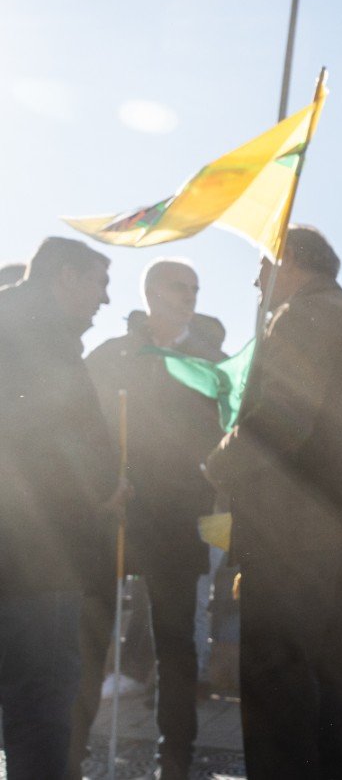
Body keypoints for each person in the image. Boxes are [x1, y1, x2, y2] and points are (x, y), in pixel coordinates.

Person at [203, 226, 342, 780]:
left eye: (262, 268)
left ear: (288, 264)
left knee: (276, 681)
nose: (256, 282)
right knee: (332, 675)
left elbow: (276, 421)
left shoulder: (303, 317)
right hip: (339, 528)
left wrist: (216, 464)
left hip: (286, 528)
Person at [69, 258, 227, 778]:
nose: (192, 296)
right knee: (92, 637)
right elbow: (76, 419)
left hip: (178, 516)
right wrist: (98, 483)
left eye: (196, 288)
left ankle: (175, 755)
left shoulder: (208, 362)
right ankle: (74, 751)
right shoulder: (113, 354)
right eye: (182, 287)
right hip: (113, 513)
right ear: (154, 292)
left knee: (176, 643)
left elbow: (228, 429)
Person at [0, 237, 119, 779]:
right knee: (41, 704)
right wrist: (106, 483)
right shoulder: (42, 338)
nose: (105, 299)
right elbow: (62, 441)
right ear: (66, 277)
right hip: (38, 556)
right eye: (99, 282)